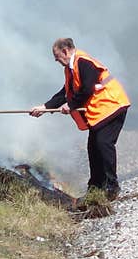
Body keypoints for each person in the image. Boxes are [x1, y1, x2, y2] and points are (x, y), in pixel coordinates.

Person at [30, 37, 131, 201]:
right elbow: (65, 93)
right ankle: (95, 189)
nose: (56, 60)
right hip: (102, 111)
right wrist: (45, 107)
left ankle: (112, 187)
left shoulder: (83, 62)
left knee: (103, 144)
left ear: (65, 50)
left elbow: (87, 88)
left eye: (57, 56)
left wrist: (71, 105)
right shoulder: (70, 68)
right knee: (93, 147)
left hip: (113, 105)